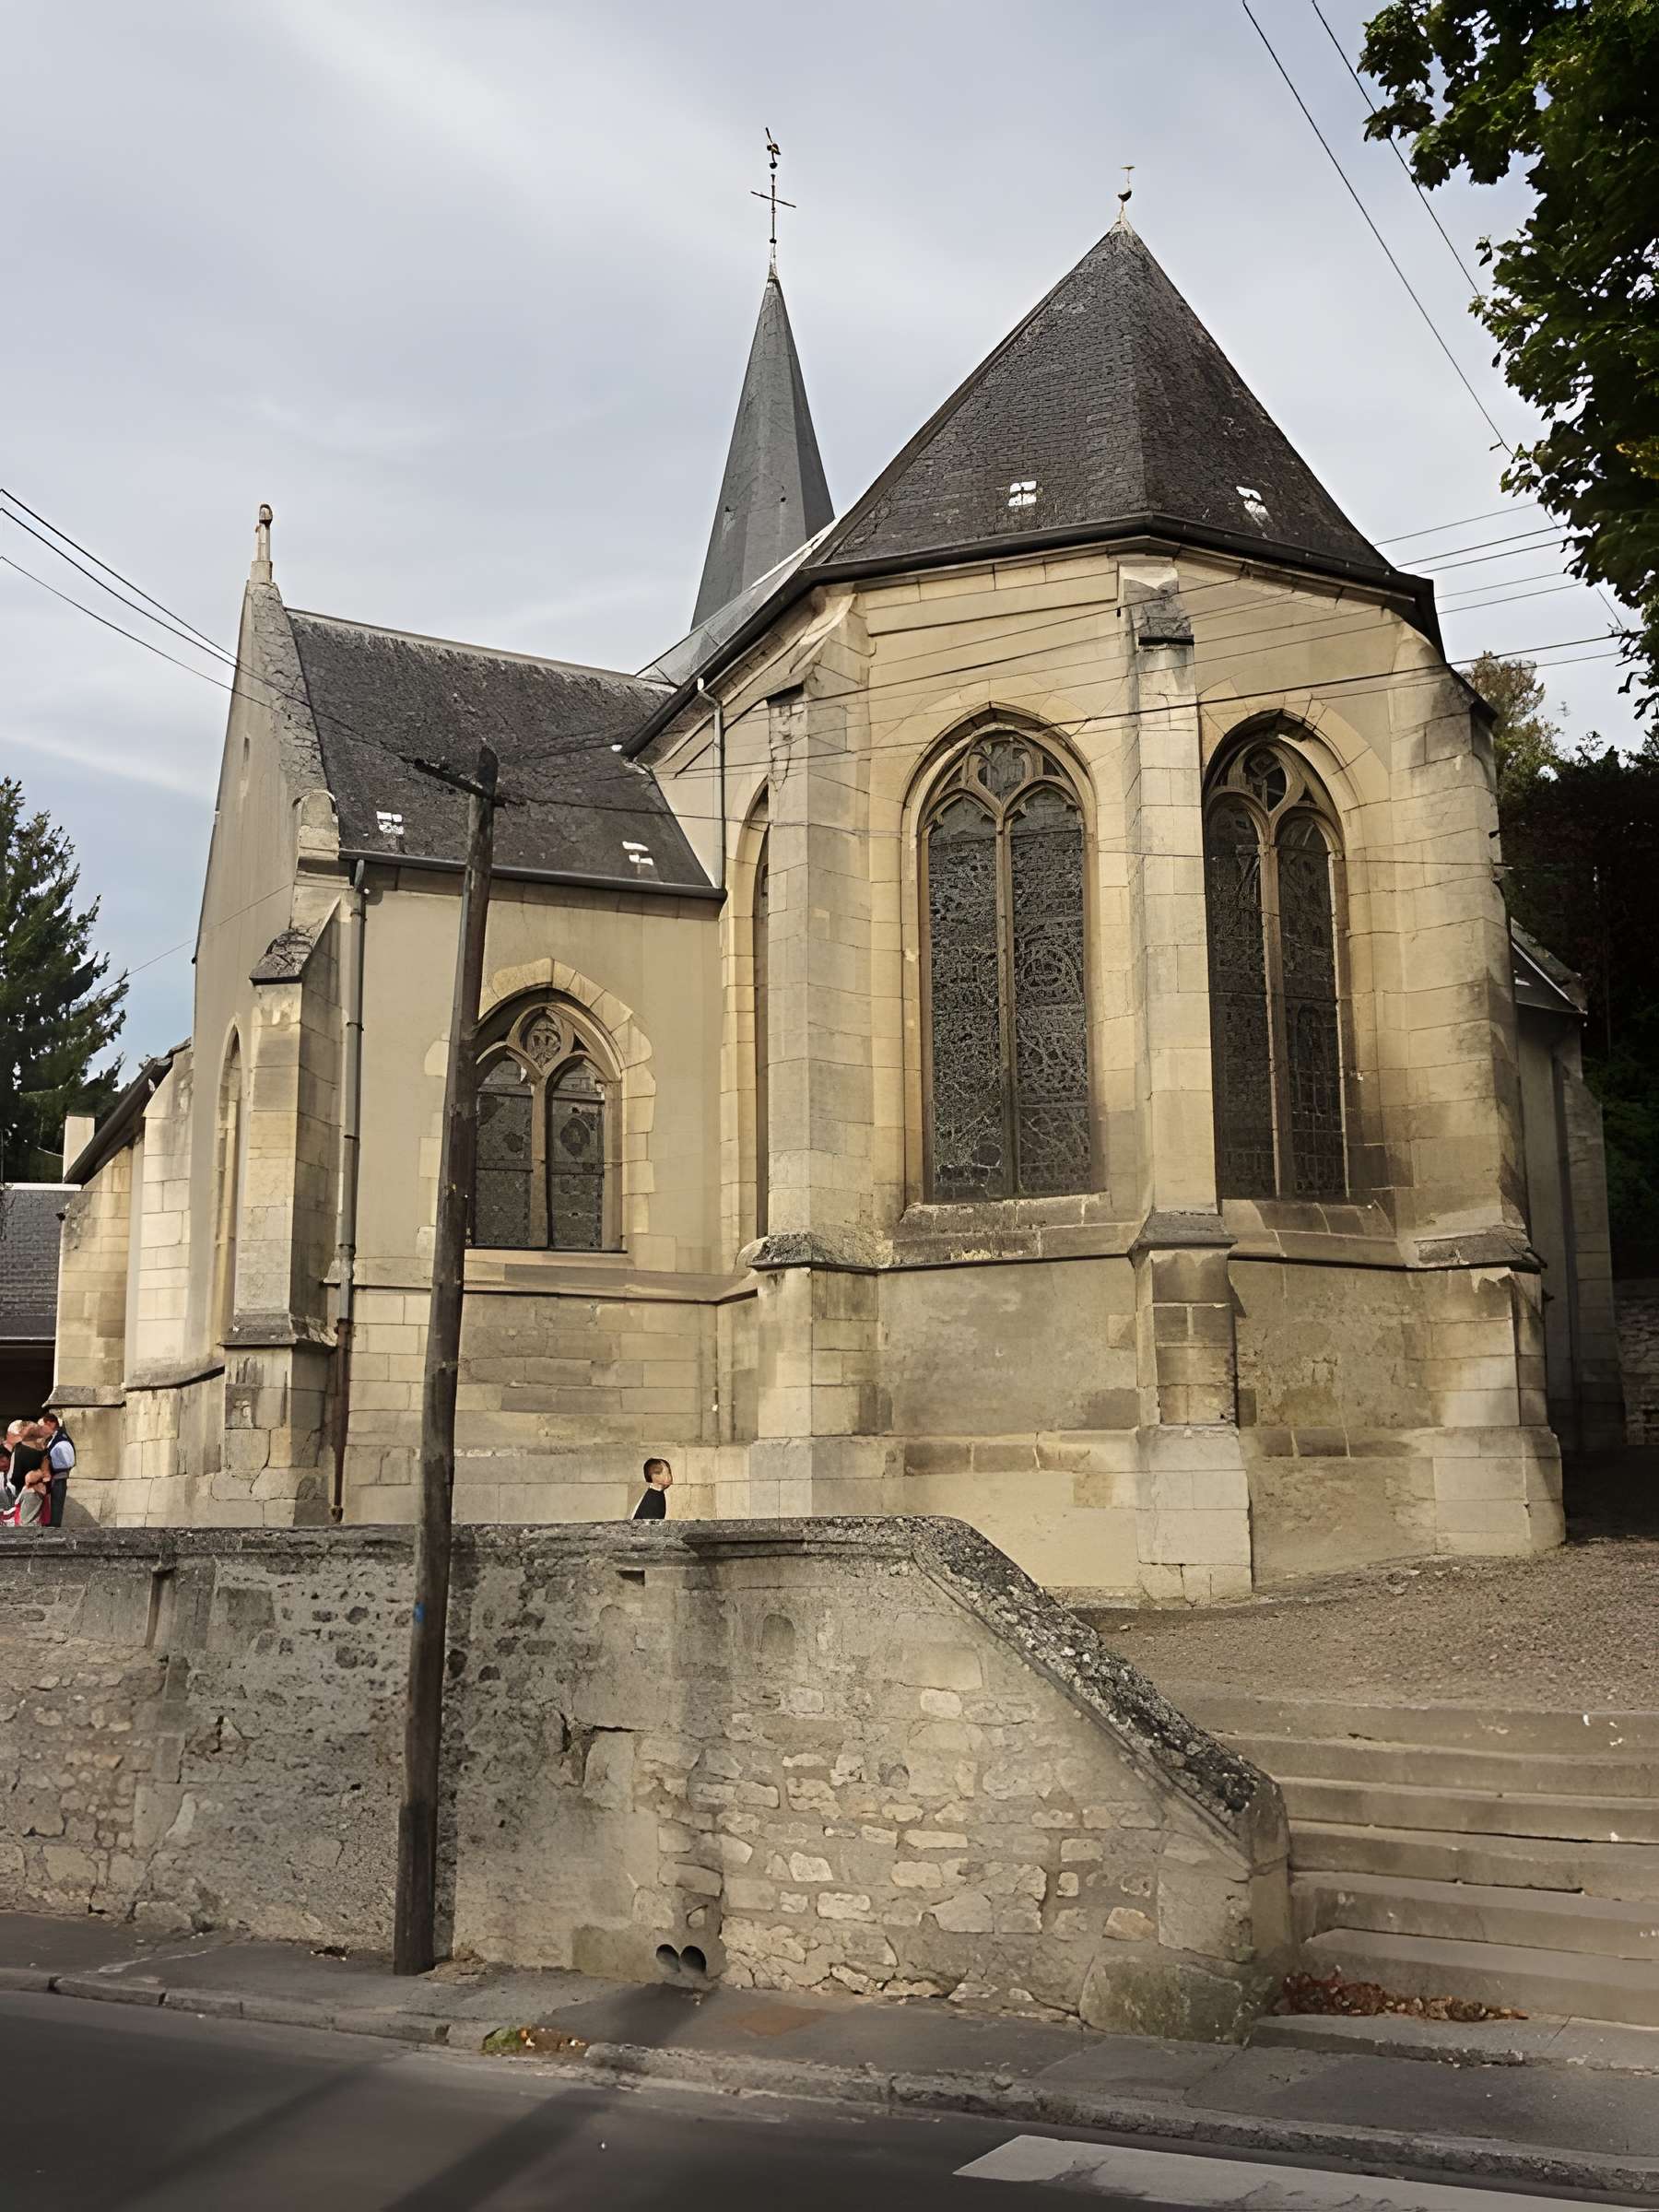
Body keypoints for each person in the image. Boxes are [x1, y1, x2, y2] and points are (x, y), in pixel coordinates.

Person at [3, 1423, 50, 1527]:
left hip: (27, 1490)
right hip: (38, 1490)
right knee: (35, 1522)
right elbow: (47, 1473)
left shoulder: (20, 1449)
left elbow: (15, 1476)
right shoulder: (43, 1450)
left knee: (26, 1524)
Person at [41, 1412, 74, 1530]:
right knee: (54, 1501)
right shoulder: (54, 1437)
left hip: (58, 1475)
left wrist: (51, 1465)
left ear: (51, 1423)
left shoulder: (61, 1438)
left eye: (45, 1425)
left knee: (57, 1501)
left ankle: (55, 1524)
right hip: (54, 1475)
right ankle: (52, 1523)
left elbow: (67, 1461)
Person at [631, 1456, 673, 1520]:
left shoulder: (657, 1493)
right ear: (653, 1476)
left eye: (669, 1473)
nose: (669, 1477)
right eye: (666, 1473)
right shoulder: (653, 1497)